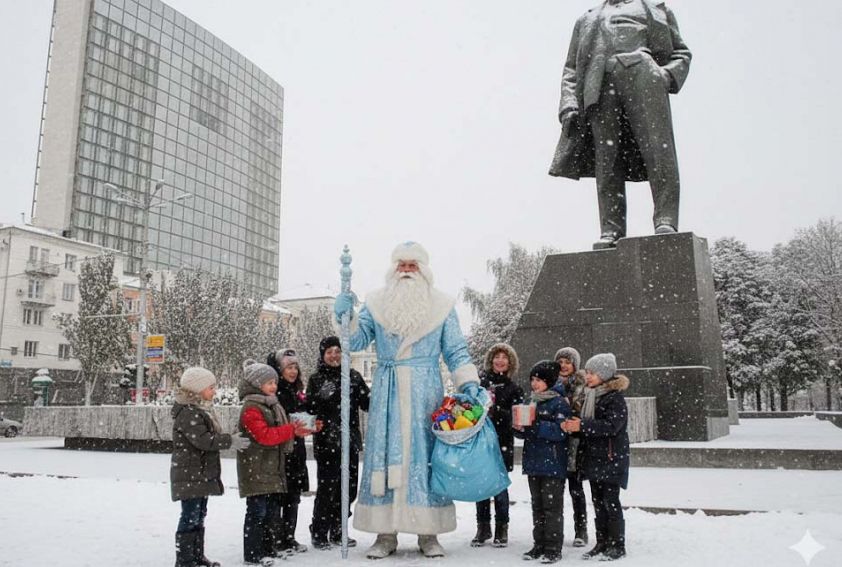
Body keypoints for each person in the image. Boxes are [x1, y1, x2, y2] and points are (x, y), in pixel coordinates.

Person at [333, 241, 485, 559]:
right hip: (387, 391)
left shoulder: (442, 305)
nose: (406, 270)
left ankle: (427, 532)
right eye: (401, 264)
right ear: (392, 268)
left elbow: (455, 350)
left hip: (425, 392)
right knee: (384, 456)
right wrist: (344, 316)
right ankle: (384, 533)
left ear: (424, 270)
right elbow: (355, 341)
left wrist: (469, 384)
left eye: (412, 265)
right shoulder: (375, 303)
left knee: (425, 458)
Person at [548, 0, 692, 249]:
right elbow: (571, 69)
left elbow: (681, 53)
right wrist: (569, 104)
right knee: (607, 159)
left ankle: (665, 220)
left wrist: (665, 75)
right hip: (600, 85)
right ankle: (611, 229)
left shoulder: (655, 9)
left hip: (644, 77)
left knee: (659, 150)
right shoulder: (587, 18)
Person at [170, 366, 250, 567]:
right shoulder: (189, 412)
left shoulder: (199, 409)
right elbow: (203, 440)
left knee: (199, 515)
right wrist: (228, 441)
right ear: (197, 389)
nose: (214, 391)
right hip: (190, 473)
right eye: (210, 387)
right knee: (190, 516)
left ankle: (196, 556)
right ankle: (186, 560)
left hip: (199, 472)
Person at [238, 361, 314, 566]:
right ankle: (253, 554)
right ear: (256, 384)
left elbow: (280, 432)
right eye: (269, 383)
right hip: (257, 469)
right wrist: (291, 430)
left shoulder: (271, 404)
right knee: (257, 512)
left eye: (274, 382)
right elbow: (264, 436)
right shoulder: (252, 408)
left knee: (270, 511)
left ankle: (268, 548)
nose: (274, 386)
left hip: (270, 468)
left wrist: (298, 430)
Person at [562, 353, 630, 561]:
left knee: (611, 502)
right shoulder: (591, 396)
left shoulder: (614, 398)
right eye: (588, 373)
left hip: (611, 458)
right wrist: (572, 427)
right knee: (598, 502)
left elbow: (612, 426)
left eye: (592, 373)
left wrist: (582, 425)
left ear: (605, 374)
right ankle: (601, 541)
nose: (588, 377)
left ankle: (617, 544)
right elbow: (587, 427)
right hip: (593, 457)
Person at [305, 336, 371, 550]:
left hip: (349, 440)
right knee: (328, 487)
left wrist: (381, 390)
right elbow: (310, 409)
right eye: (329, 352)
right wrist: (320, 397)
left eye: (337, 351)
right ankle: (319, 530)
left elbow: (367, 403)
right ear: (323, 356)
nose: (334, 355)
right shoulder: (316, 379)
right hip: (327, 442)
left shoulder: (353, 377)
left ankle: (338, 529)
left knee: (349, 488)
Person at [513, 361, 572, 564]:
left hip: (553, 463)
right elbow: (527, 433)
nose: (534, 384)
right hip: (533, 462)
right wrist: (519, 428)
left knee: (552, 507)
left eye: (538, 380)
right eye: (532, 380)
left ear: (548, 381)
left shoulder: (559, 403)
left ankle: (553, 547)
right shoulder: (531, 402)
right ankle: (539, 544)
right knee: (537, 506)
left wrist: (535, 424)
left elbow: (561, 431)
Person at [471, 343, 524, 548]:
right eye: (497, 357)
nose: (500, 361)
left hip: (502, 442)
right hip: (481, 442)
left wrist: (497, 409)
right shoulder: (480, 385)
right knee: (481, 486)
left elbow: (516, 417)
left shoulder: (514, 389)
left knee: (500, 486)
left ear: (510, 363)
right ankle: (483, 527)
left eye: (505, 357)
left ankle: (502, 528)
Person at [266, 348, 313, 554]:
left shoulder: (298, 392)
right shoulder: (274, 394)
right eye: (288, 367)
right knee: (279, 496)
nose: (293, 372)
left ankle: (288, 536)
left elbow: (303, 415)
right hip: (281, 452)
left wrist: (310, 423)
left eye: (295, 367)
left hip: (296, 450)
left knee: (293, 497)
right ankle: (276, 538)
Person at [554, 346, 589, 547]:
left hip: (576, 443)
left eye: (567, 362)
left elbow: (582, 413)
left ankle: (581, 529)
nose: (564, 366)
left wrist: (569, 407)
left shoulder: (583, 386)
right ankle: (554, 530)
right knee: (555, 492)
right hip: (556, 444)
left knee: (576, 489)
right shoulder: (549, 385)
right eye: (560, 362)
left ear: (574, 365)